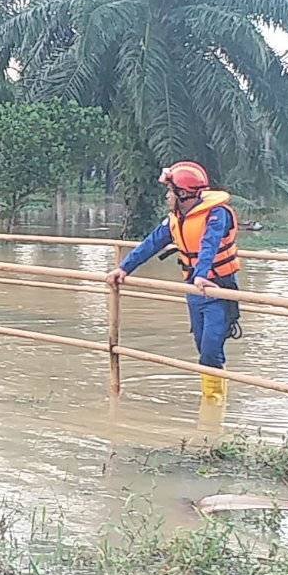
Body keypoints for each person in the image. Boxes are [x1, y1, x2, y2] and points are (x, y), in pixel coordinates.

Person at [106, 161, 241, 402]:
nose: (167, 197)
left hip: (219, 288)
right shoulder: (175, 220)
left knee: (211, 348)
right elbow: (150, 245)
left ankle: (214, 406)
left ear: (184, 193)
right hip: (194, 290)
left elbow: (209, 245)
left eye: (170, 192)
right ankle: (210, 403)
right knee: (202, 345)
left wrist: (201, 274)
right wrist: (123, 269)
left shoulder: (217, 214)